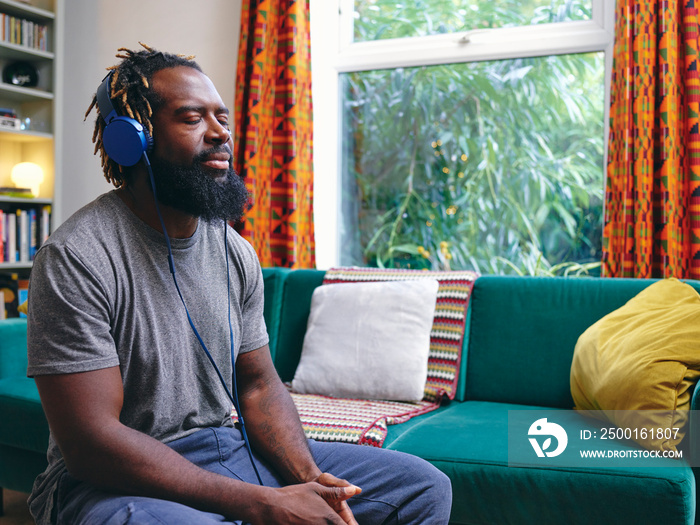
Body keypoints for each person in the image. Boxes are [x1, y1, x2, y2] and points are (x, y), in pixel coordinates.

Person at [25, 44, 453, 525]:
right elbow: (91, 444)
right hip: (108, 483)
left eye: (221, 118)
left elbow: (257, 384)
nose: (221, 133)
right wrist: (262, 503)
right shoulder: (76, 258)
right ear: (134, 140)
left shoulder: (234, 252)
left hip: (224, 448)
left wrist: (309, 478)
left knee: (423, 488)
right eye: (192, 119)